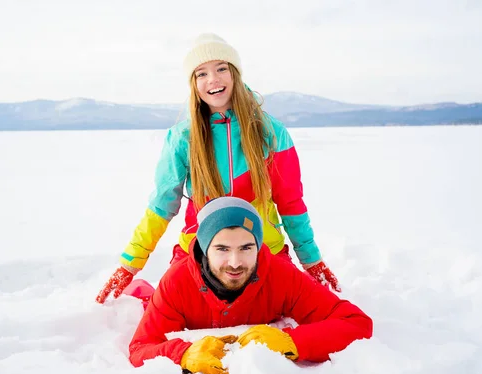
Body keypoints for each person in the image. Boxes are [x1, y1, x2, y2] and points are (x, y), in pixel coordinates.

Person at [96, 33, 340, 304]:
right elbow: (161, 206)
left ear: (235, 74)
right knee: (176, 310)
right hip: (199, 251)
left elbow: (291, 201)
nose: (213, 79)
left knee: (288, 307)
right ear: (194, 84)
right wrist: (130, 262)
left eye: (221, 68)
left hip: (262, 250)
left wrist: (311, 259)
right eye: (201, 73)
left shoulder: (271, 132)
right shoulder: (182, 138)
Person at [128, 197, 372, 374]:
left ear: (258, 245)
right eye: (222, 249)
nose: (235, 263)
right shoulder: (177, 281)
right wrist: (182, 354)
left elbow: (356, 323)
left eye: (246, 248)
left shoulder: (281, 275)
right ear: (204, 249)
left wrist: (292, 342)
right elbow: (140, 348)